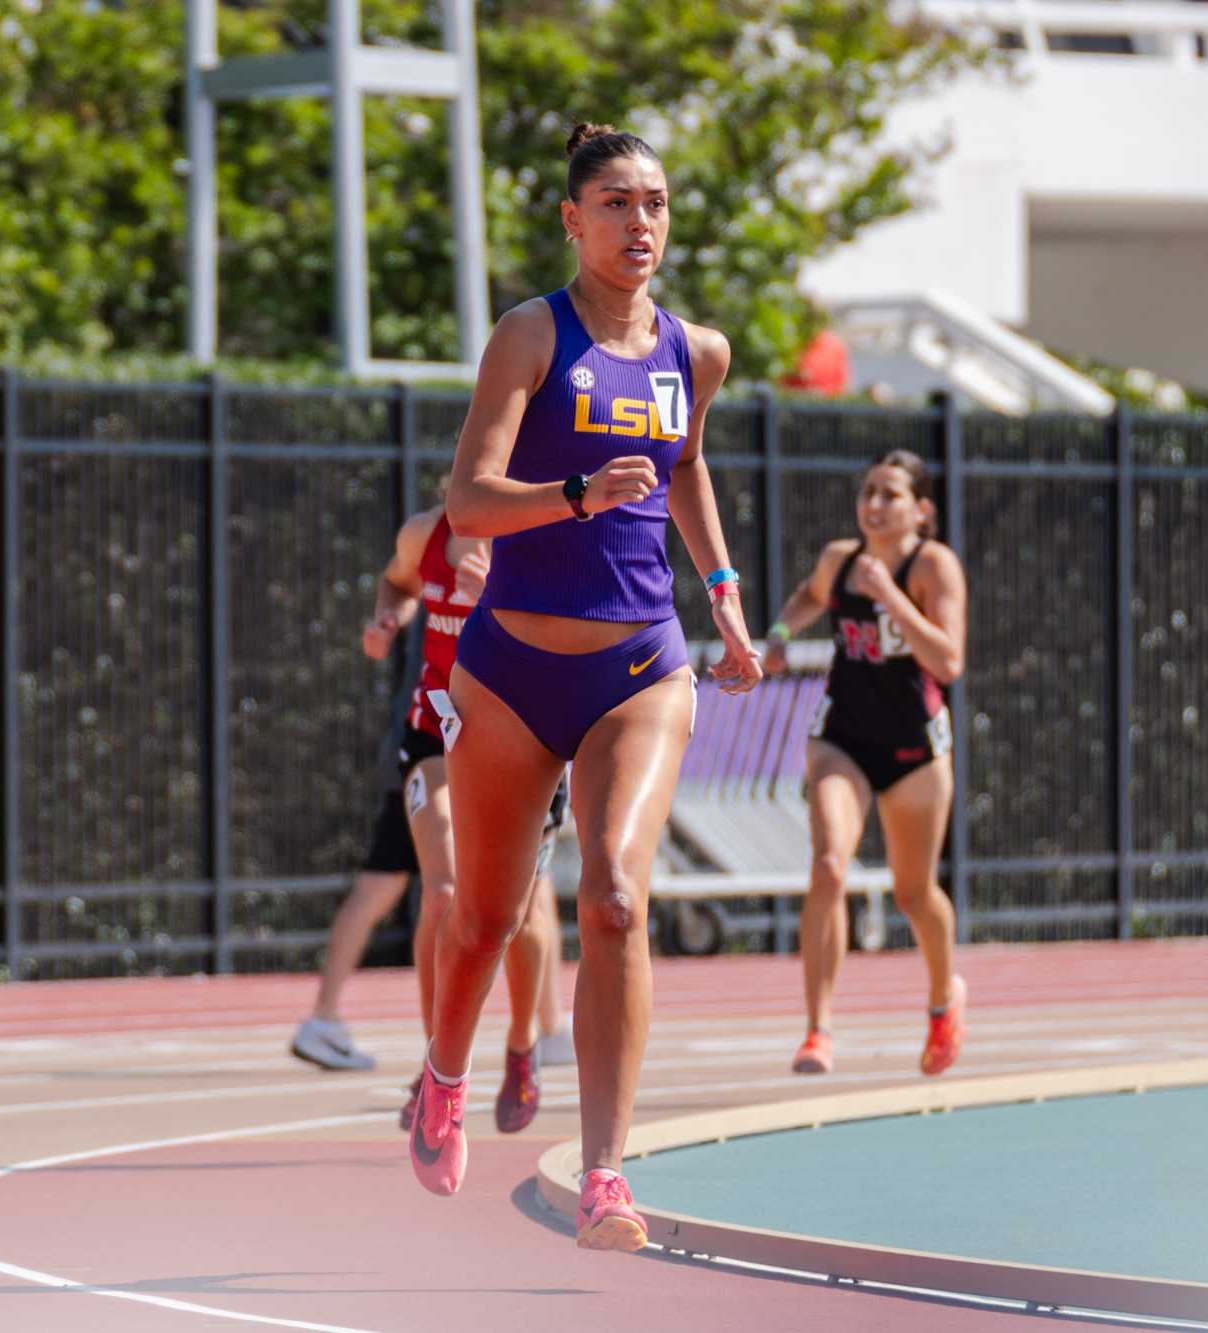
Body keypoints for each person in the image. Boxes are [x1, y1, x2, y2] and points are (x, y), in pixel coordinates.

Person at [407, 121, 761, 1256]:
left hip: (638, 665)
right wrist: (571, 495)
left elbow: (688, 463)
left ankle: (606, 1171)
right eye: (614, 201)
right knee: (484, 920)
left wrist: (723, 594)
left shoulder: (693, 350)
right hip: (510, 669)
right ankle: (442, 1078)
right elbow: (465, 502)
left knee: (612, 896)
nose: (639, 221)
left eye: (653, 201)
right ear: (571, 218)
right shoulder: (529, 334)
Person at [291, 503, 572, 1137]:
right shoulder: (423, 533)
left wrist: (499, 598)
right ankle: (436, 1064)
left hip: (522, 737)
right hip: (436, 733)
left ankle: (523, 1046)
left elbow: (569, 637)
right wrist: (387, 616)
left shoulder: (535, 538)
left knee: (520, 913)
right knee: (442, 892)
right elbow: (397, 579)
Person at [761, 449, 969, 1079]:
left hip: (913, 748)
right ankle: (818, 1031)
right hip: (843, 738)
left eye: (890, 495)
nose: (874, 505)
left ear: (921, 511)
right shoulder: (840, 559)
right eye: (868, 492)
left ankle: (942, 1003)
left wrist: (891, 599)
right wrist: (780, 635)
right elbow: (807, 595)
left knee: (913, 891)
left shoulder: (933, 565)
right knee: (828, 864)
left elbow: (949, 662)